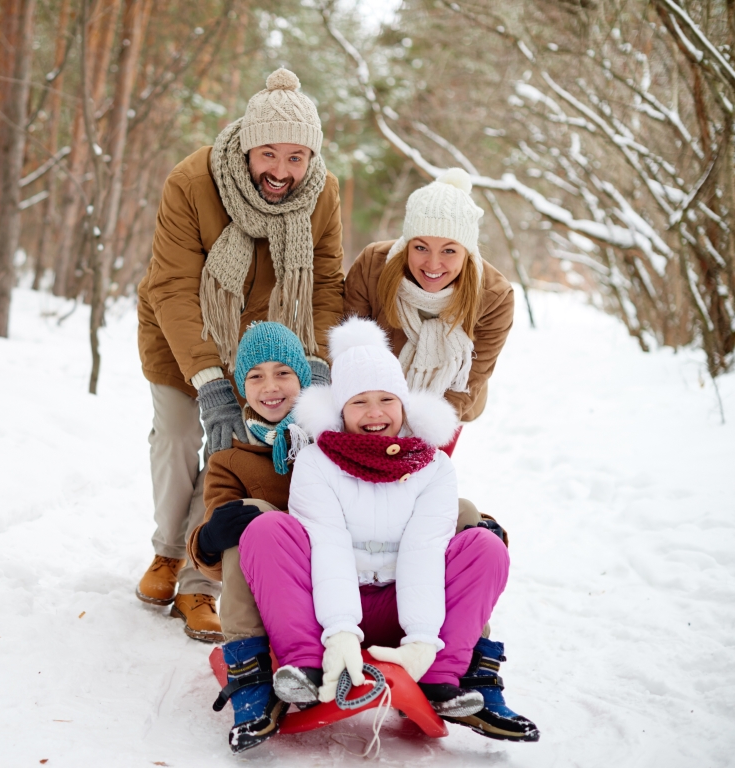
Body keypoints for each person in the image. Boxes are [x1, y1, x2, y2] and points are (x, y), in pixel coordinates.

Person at [229, 318, 539, 752]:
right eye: (359, 402)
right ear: (340, 409)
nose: (374, 414)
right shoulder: (317, 463)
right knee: (266, 528)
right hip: (325, 610)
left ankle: (442, 676)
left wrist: (422, 639)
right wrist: (339, 631)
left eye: (386, 400)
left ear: (404, 405)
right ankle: (305, 667)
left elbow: (424, 551)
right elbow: (328, 544)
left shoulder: (433, 467)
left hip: (404, 605)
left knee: (484, 545)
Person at [135, 67, 345, 642]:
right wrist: (209, 380)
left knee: (236, 452)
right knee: (183, 435)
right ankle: (167, 551)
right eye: (270, 154)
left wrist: (318, 365)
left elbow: (325, 283)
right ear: (248, 143)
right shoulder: (193, 181)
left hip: (271, 348)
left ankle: (200, 584)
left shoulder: (322, 193)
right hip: (187, 332)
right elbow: (173, 285)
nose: (281, 171)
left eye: (297, 157)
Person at [343, 168, 514, 455]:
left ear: (467, 252)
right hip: (371, 401)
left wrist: (421, 433)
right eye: (421, 247)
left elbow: (471, 378)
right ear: (407, 243)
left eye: (449, 251)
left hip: (448, 401)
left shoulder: (494, 297)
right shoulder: (374, 265)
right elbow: (350, 352)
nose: (433, 265)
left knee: (420, 480)